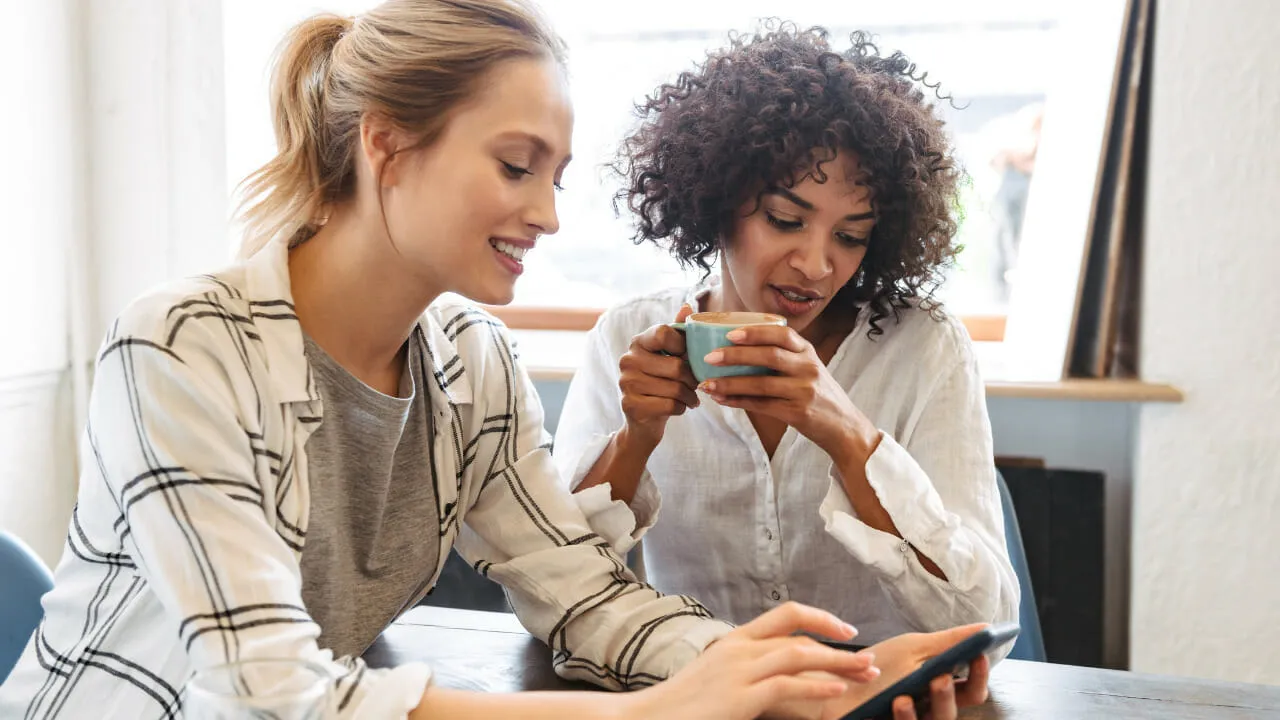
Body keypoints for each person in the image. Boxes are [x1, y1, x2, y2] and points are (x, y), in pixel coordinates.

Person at [0, 3, 991, 719]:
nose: (548, 214)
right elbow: (268, 692)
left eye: (555, 177)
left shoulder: (475, 363)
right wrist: (655, 713)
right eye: (515, 166)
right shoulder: (181, 348)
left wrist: (813, 675)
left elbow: (583, 594)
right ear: (387, 147)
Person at [555, 24, 1020, 650]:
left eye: (851, 236)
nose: (817, 265)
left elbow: (987, 623)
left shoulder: (925, 349)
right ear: (716, 201)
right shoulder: (626, 339)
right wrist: (636, 438)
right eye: (784, 220)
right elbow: (556, 583)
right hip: (702, 696)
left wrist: (849, 434)